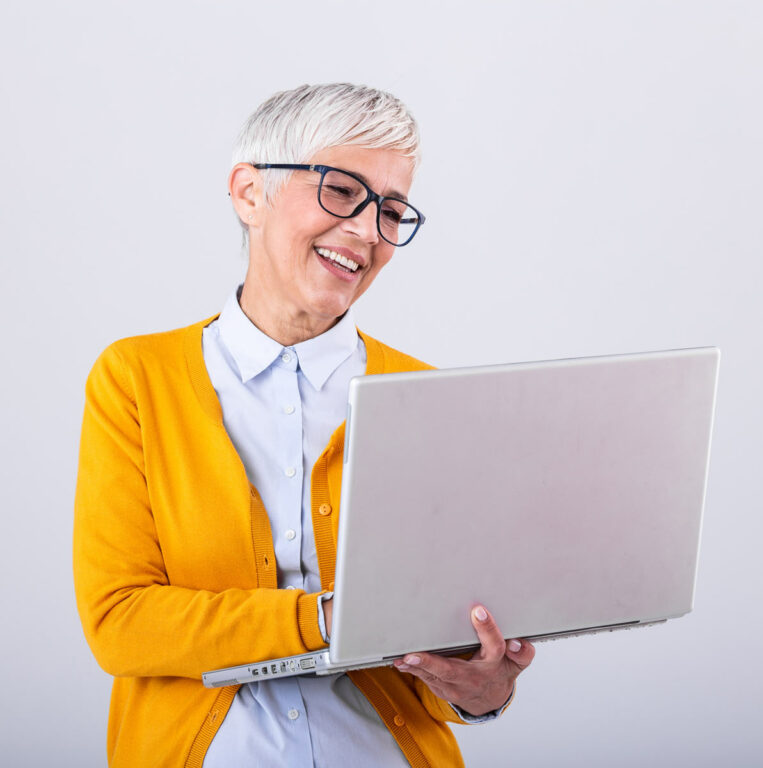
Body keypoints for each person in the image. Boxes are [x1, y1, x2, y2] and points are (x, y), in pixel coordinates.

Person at [73, 83, 535, 768]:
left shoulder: (427, 395)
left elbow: (439, 653)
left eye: (391, 209)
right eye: (342, 191)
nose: (366, 230)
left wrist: (481, 690)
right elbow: (121, 623)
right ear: (248, 194)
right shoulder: (136, 378)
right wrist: (326, 619)